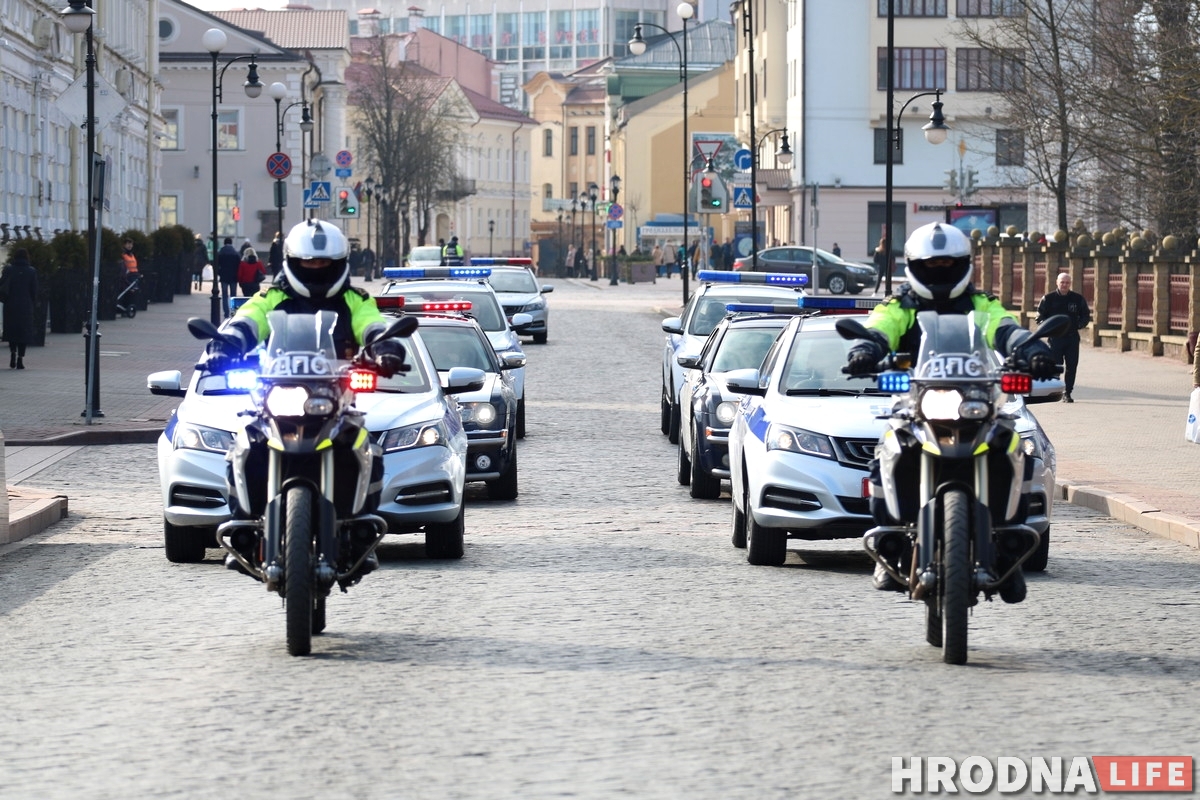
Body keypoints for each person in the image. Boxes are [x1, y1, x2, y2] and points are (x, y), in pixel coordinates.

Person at [843, 222, 1058, 591]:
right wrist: (866, 348)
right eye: (931, 265)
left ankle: (1008, 547)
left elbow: (1005, 328)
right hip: (917, 403)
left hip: (976, 399)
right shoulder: (899, 305)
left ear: (963, 265)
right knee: (889, 448)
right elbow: (881, 327)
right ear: (915, 266)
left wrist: (1032, 349)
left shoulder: (981, 304)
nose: (939, 271)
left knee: (1010, 445)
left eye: (948, 265)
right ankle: (890, 544)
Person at [206, 219, 410, 574]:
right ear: (292, 262)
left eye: (324, 263)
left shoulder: (355, 299)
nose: (316, 268)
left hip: (335, 399)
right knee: (246, 444)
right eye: (308, 262)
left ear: (339, 263)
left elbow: (371, 323)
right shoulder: (273, 296)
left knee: (365, 447)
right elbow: (249, 319)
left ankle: (360, 530)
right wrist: (228, 344)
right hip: (277, 395)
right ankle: (244, 530)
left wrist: (385, 347)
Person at [1036, 272, 1092, 403]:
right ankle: (1055, 391)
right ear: (1057, 282)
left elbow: (1085, 315)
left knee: (1072, 366)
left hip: (1072, 338)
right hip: (1055, 338)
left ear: (1070, 284)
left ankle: (1068, 392)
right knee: (1056, 366)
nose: (1064, 285)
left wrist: (1079, 325)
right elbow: (1039, 317)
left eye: (1067, 282)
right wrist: (1048, 327)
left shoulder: (1077, 299)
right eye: (1062, 282)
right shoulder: (1048, 298)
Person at [0, 248, 38, 369]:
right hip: (25, 306)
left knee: (12, 332)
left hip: (10, 305)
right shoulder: (31, 271)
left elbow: (1, 285)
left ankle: (12, 353)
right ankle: (20, 359)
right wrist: (32, 302)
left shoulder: (8, 270)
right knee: (23, 333)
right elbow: (34, 290)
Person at [215, 237, 241, 318]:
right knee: (233, 295)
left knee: (224, 295)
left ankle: (226, 312)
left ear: (224, 243)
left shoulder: (220, 252)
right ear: (231, 243)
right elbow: (239, 265)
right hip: (233, 276)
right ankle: (233, 312)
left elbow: (216, 264)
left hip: (224, 276)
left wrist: (219, 273)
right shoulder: (235, 253)